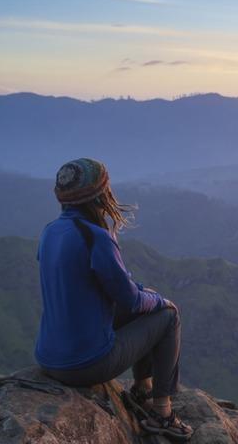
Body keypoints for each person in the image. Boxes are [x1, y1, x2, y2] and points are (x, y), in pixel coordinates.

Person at [34, 158, 193, 441]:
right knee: (168, 316)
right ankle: (162, 412)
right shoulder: (95, 237)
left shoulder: (49, 231)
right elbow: (130, 300)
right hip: (85, 365)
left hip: (48, 357)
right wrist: (160, 302)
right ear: (101, 195)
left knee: (151, 300)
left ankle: (143, 389)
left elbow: (107, 289)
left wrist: (149, 295)